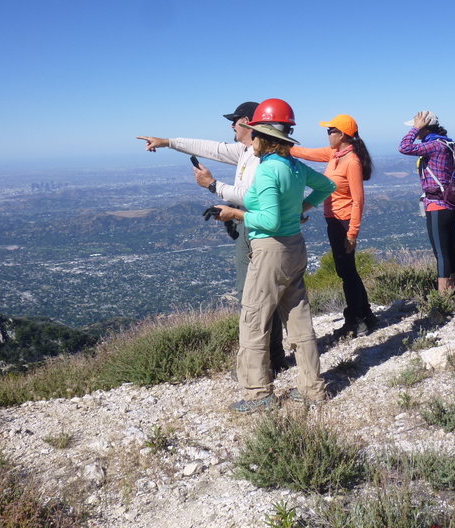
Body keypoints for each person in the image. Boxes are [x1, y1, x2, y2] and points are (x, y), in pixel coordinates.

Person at [136, 102, 289, 374]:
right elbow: (211, 148)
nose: (231, 126)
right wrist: (168, 142)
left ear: (247, 121)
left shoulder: (260, 157)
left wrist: (214, 187)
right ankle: (272, 356)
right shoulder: (248, 151)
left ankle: (262, 363)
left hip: (255, 227)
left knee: (252, 296)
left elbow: (252, 199)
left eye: (234, 120)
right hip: (250, 224)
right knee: (263, 294)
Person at [211, 98, 336, 412]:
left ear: (264, 136)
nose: (250, 139)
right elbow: (326, 185)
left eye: (253, 133)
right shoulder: (293, 165)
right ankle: (312, 389)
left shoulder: (268, 171)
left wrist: (234, 215)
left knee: (253, 320)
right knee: (298, 318)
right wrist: (301, 209)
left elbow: (267, 220)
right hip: (295, 244)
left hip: (271, 249)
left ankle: (258, 394)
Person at [291, 114, 377, 339]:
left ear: (343, 135)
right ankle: (365, 315)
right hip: (334, 220)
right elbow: (306, 153)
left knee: (346, 271)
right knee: (347, 271)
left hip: (344, 222)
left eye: (331, 131)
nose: (327, 134)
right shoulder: (335, 154)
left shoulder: (352, 162)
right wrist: (282, 146)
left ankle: (356, 321)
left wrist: (352, 233)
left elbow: (358, 200)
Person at [398, 110, 455, 292]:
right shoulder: (447, 142)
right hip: (451, 203)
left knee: (440, 252)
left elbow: (404, 147)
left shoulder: (434, 145)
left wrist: (415, 129)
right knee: (450, 247)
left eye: (417, 128)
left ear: (425, 127)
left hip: (436, 205)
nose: (415, 131)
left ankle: (443, 296)